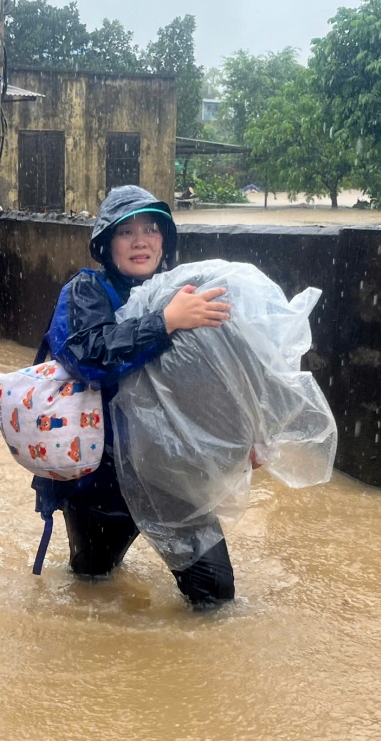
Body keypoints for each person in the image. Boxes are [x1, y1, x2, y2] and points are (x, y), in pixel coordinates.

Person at [38, 185, 240, 610]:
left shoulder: (188, 292)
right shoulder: (86, 291)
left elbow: (222, 376)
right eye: (126, 232)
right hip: (102, 481)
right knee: (92, 585)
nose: (141, 240)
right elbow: (87, 355)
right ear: (106, 243)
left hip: (171, 472)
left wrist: (248, 437)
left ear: (164, 241)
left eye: (151, 230)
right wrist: (164, 323)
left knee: (216, 597)